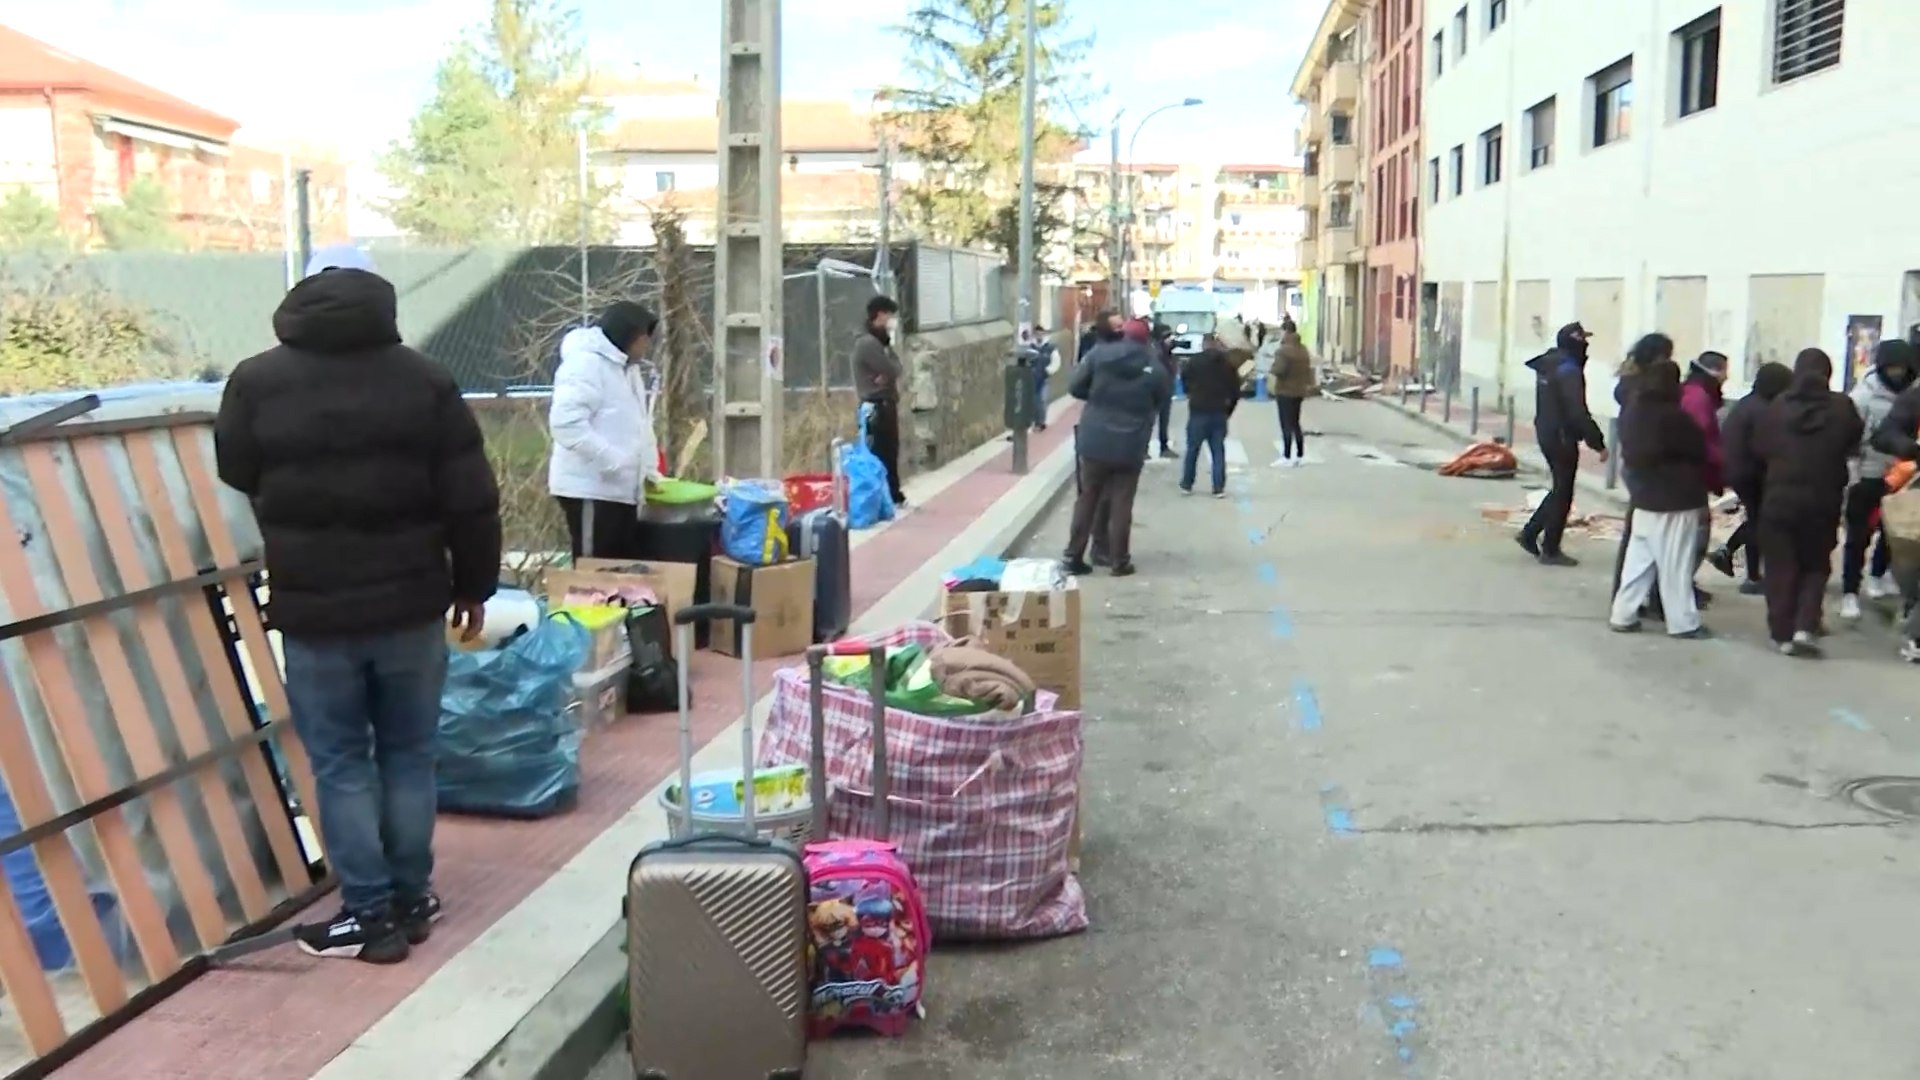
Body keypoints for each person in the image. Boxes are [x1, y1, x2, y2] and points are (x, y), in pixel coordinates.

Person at [214, 244, 501, 963]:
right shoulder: (426, 381)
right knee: (409, 754)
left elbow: (233, 466)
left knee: (340, 762)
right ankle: (411, 897)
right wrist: (474, 586)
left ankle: (368, 915)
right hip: (410, 605)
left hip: (316, 611)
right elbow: (471, 498)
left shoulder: (256, 381)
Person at [1749, 347, 1863, 657]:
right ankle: (1804, 626)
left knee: (1780, 566)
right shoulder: (1842, 407)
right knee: (1815, 565)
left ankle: (1782, 633)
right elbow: (1854, 443)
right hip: (1823, 500)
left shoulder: (1778, 408)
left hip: (1779, 498)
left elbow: (1759, 447)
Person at [548, 302, 663, 559]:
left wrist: (648, 470)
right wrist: (611, 460)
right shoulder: (586, 365)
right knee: (593, 568)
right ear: (628, 336)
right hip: (590, 488)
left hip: (621, 491)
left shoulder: (627, 368)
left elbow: (637, 424)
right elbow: (566, 424)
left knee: (616, 570)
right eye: (644, 339)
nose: (647, 346)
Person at [1608, 360, 1711, 639]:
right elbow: (1698, 449)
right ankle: (1683, 622)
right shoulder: (1674, 417)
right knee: (1676, 562)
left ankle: (1623, 613)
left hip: (1644, 496)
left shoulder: (1632, 412)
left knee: (1639, 560)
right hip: (1676, 497)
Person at [1063, 317, 1169, 577]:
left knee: (1087, 497)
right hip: (1131, 441)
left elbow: (1075, 386)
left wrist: (1098, 398)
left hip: (1095, 437)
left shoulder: (1099, 354)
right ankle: (1119, 560)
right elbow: (1162, 397)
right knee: (1122, 501)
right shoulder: (1154, 365)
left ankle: (1073, 555)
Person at [1518, 323, 1608, 566]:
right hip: (1561, 435)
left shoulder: (1551, 364)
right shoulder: (1569, 370)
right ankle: (1550, 548)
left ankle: (1530, 533)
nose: (1587, 345)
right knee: (1563, 492)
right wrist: (1598, 443)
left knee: (1560, 488)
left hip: (1547, 430)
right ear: (1576, 342)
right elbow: (1577, 412)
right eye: (1584, 340)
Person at [1839, 340, 1916, 619]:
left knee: (1892, 531)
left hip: (1901, 474)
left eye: (1902, 368)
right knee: (1858, 535)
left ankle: (1878, 575)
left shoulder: (1912, 393)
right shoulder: (1863, 396)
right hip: (1868, 472)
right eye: (1892, 367)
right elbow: (1850, 437)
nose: (1897, 373)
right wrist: (1854, 473)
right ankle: (1849, 591)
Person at [1709, 361, 1793, 594]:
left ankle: (1728, 554)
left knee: (1757, 519)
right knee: (1760, 522)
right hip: (1752, 472)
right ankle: (1752, 576)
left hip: (1739, 470)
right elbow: (1765, 446)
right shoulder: (1764, 409)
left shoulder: (1748, 403)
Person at [1608, 333, 1675, 597]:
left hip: (1635, 462)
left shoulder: (1631, 384)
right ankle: (1639, 593)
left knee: (1639, 529)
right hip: (1647, 465)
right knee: (1647, 531)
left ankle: (1630, 591)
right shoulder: (1643, 388)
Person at [1678, 350, 1730, 598]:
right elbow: (1700, 440)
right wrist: (1721, 465)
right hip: (1691, 476)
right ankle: (1681, 585)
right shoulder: (1698, 398)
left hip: (1690, 474)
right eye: (1724, 372)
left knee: (1693, 534)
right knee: (1696, 535)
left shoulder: (1694, 392)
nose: (1726, 378)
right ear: (1715, 371)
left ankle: (1682, 583)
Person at [853, 295, 910, 508]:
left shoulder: (880, 342)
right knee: (880, 453)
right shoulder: (868, 343)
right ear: (879, 315)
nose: (891, 321)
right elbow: (891, 369)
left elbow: (895, 369)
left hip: (885, 403)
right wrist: (886, 371)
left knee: (889, 451)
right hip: (876, 406)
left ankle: (892, 495)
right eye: (889, 315)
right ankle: (886, 497)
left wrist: (888, 365)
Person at [1178, 333, 1239, 497]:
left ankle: (1187, 484)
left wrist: (1190, 393)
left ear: (1204, 344)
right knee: (1218, 450)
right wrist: (1228, 411)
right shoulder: (1227, 364)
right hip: (1219, 411)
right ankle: (1218, 487)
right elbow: (1235, 390)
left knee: (1192, 449)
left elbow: (1184, 381)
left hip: (1198, 410)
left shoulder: (1194, 361)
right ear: (1216, 344)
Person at [1270, 327, 1315, 467]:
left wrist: (1272, 369)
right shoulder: (1303, 351)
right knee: (1295, 423)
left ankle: (1286, 455)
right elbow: (1308, 371)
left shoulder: (1283, 352)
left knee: (1286, 424)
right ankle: (1300, 454)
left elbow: (1278, 370)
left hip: (1285, 391)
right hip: (1299, 391)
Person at [1151, 325, 1178, 459]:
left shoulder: (1165, 351)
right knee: (1149, 420)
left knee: (1163, 420)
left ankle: (1164, 446)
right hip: (1156, 390)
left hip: (1166, 389)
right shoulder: (1156, 350)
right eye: (1167, 336)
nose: (1170, 339)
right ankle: (1145, 449)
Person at [1030, 327, 1058, 432]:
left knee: (1042, 400)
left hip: (1044, 378)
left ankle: (1041, 422)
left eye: (1041, 334)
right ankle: (1035, 421)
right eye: (1037, 334)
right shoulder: (1030, 347)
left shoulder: (1050, 347)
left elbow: (1056, 361)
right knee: (1033, 401)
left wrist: (1048, 371)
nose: (1039, 336)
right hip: (1032, 378)